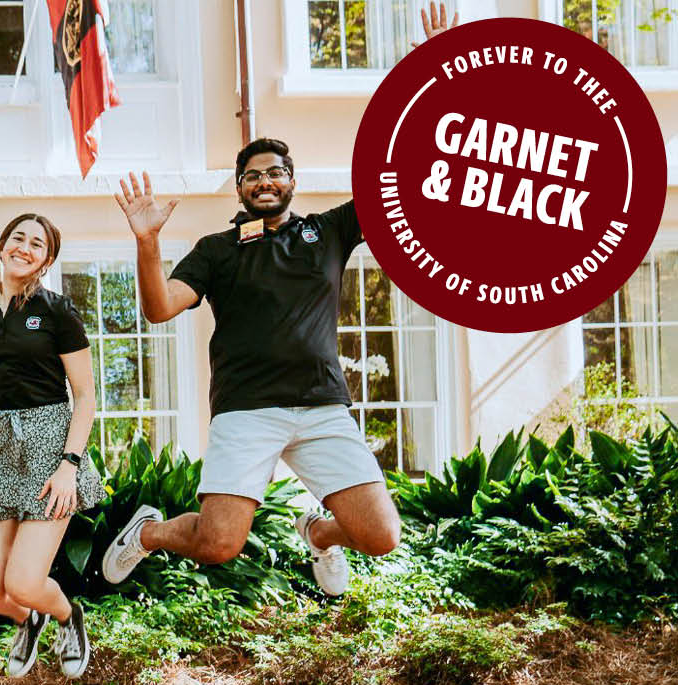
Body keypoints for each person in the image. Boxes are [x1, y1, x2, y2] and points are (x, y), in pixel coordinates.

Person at [102, 4, 456, 598]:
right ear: (239, 187)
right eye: (252, 176)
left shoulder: (332, 231)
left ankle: (319, 533)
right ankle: (150, 534)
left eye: (276, 172)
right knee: (219, 545)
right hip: (246, 409)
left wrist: (433, 66)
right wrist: (148, 242)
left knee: (381, 536)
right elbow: (160, 307)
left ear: (292, 180)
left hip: (321, 406)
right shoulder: (216, 250)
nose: (265, 181)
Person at [0, 214, 103, 680]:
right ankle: (30, 618)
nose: (24, 247)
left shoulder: (58, 311)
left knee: (22, 580)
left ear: (46, 258)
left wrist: (70, 466)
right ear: (1, 245)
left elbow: (84, 396)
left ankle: (68, 618)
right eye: (17, 237)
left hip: (50, 446)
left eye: (36, 243)